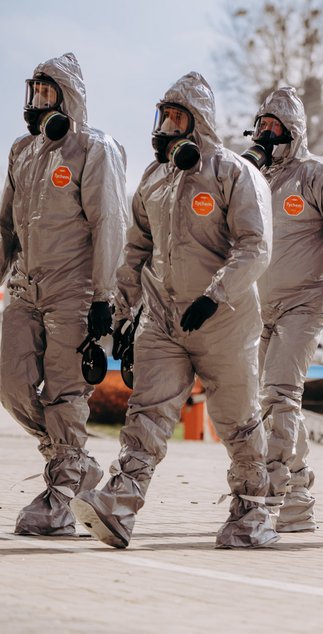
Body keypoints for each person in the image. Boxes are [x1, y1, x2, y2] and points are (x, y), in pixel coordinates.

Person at [70, 72, 278, 549]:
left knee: (237, 420)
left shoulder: (233, 173)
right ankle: (120, 502)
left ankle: (253, 511)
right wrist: (123, 313)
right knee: (146, 411)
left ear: (199, 124)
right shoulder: (155, 178)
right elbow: (136, 250)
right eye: (163, 115)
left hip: (224, 322)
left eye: (177, 116)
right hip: (165, 321)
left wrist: (215, 294)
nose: (166, 125)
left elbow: (255, 246)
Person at [0, 52, 128, 536]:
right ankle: (72, 459)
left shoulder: (96, 149)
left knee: (64, 392)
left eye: (48, 94)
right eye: (33, 93)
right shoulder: (21, 151)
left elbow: (109, 223)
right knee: (9, 382)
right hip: (25, 288)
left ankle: (62, 492)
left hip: (75, 292)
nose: (37, 103)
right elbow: (3, 225)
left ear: (69, 98)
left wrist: (104, 296)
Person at [243, 86, 323, 532]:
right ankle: (295, 493)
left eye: (275, 127)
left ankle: (281, 495)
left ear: (293, 132)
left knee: (280, 393)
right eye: (261, 125)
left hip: (306, 300)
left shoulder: (320, 175)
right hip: (257, 306)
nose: (266, 134)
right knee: (259, 401)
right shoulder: (251, 178)